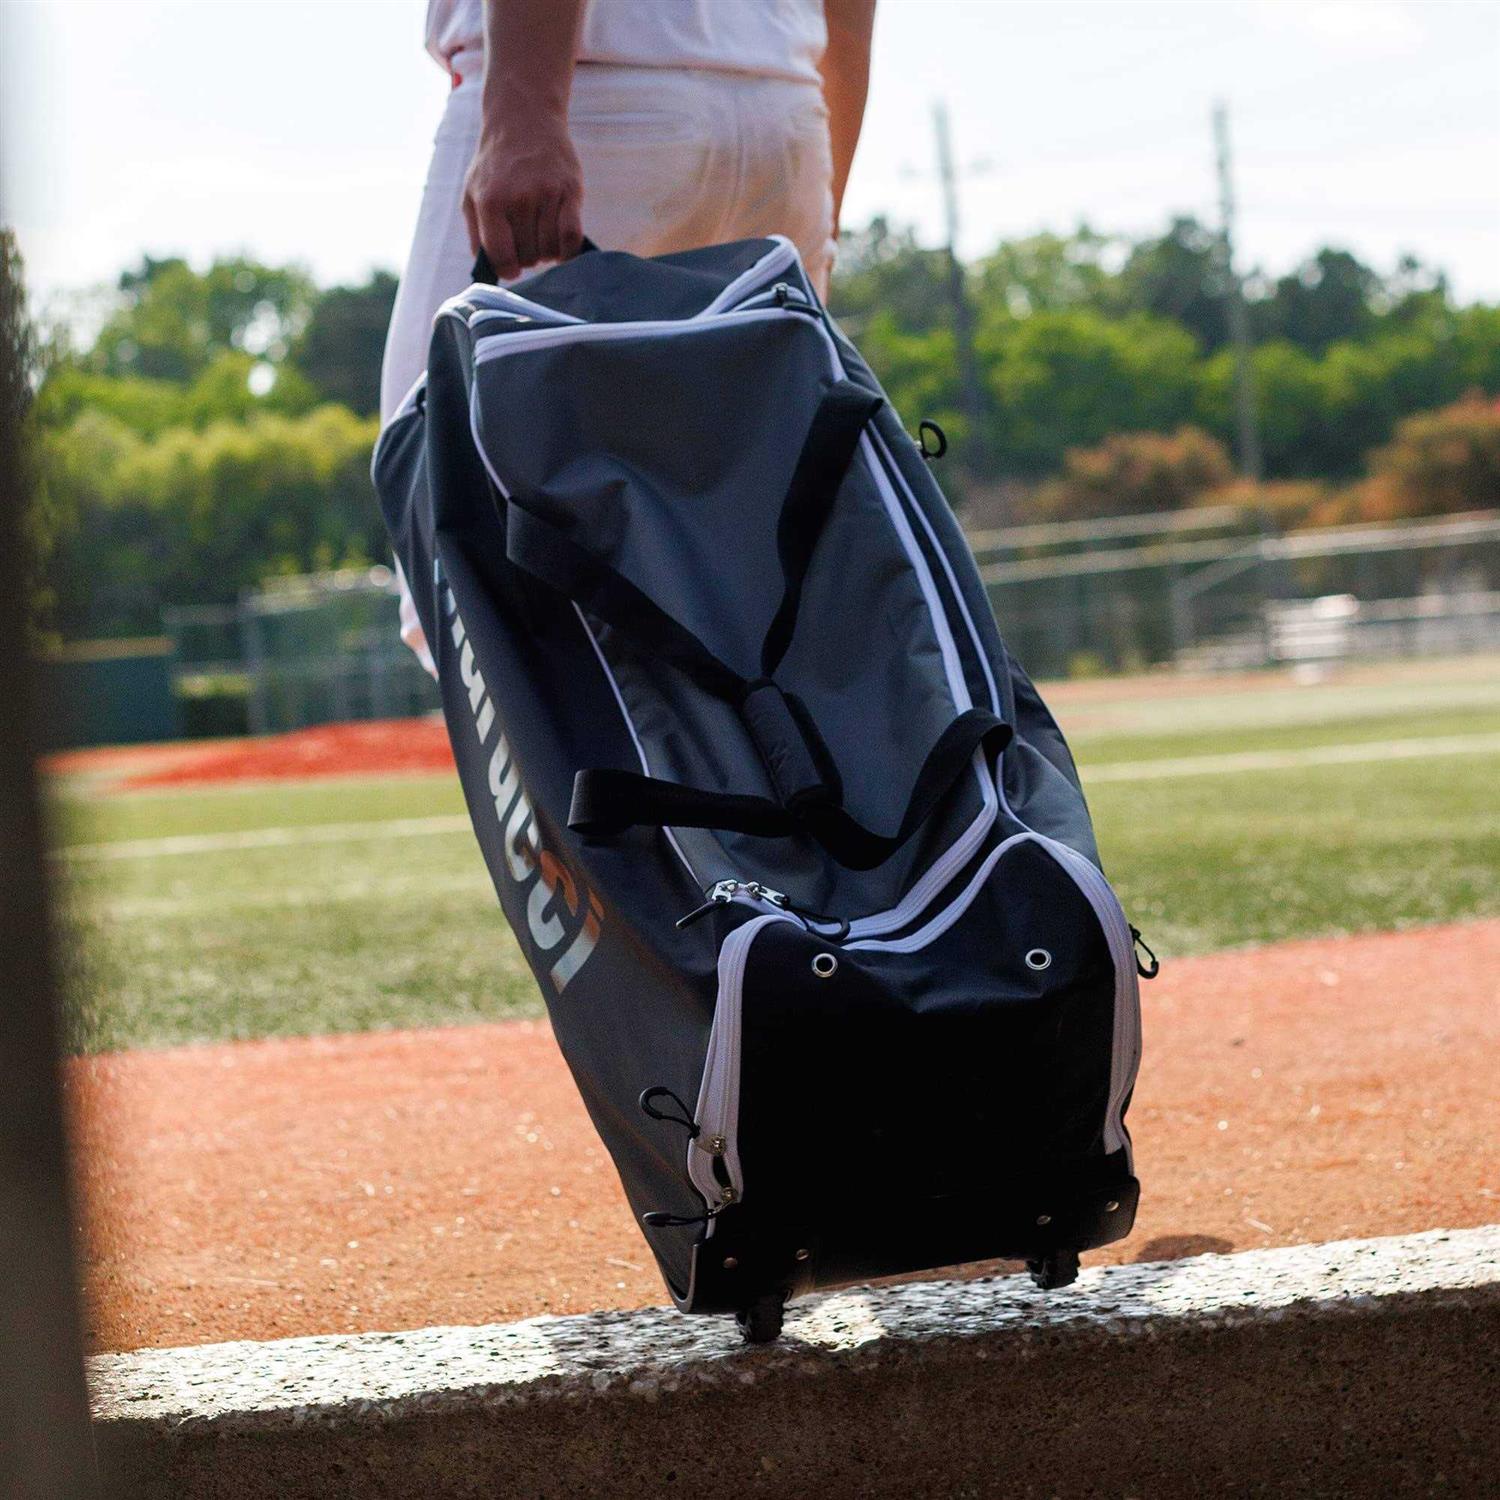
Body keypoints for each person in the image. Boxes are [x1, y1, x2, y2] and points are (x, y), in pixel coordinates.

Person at [381, 0, 877, 672]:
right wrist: (822, 198)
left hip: (596, 101)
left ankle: (600, 774)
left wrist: (523, 115)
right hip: (788, 110)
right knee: (738, 579)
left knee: (454, 563)